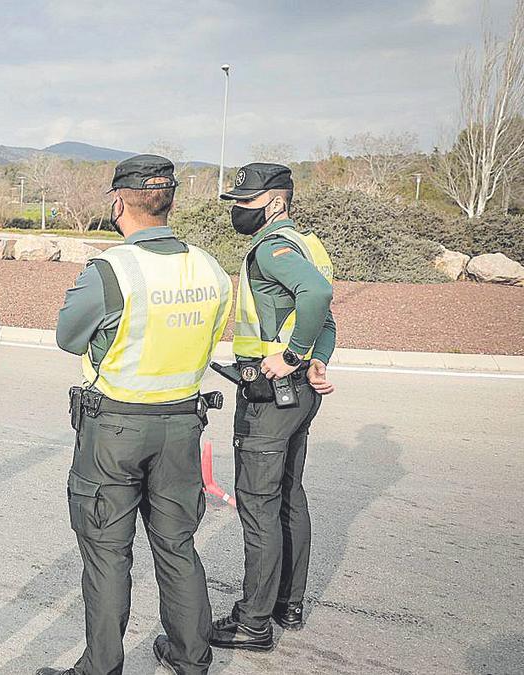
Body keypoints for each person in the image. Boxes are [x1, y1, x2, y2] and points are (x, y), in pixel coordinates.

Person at [37, 155, 232, 675]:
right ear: (169, 201)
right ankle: (191, 657)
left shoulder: (111, 269)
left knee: (106, 553)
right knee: (176, 543)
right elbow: (211, 339)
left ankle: (100, 667)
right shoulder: (209, 268)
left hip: (116, 428)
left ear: (119, 202)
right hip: (182, 424)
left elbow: (67, 337)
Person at [209, 162, 336, 652]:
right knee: (288, 495)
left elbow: (318, 294)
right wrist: (317, 358)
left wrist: (291, 354)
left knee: (259, 504)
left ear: (277, 201)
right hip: (300, 394)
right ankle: (289, 603)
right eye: (237, 202)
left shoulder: (272, 248)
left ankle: (253, 623)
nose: (239, 211)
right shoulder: (309, 244)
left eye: (248, 202)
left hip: (272, 395)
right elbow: (326, 312)